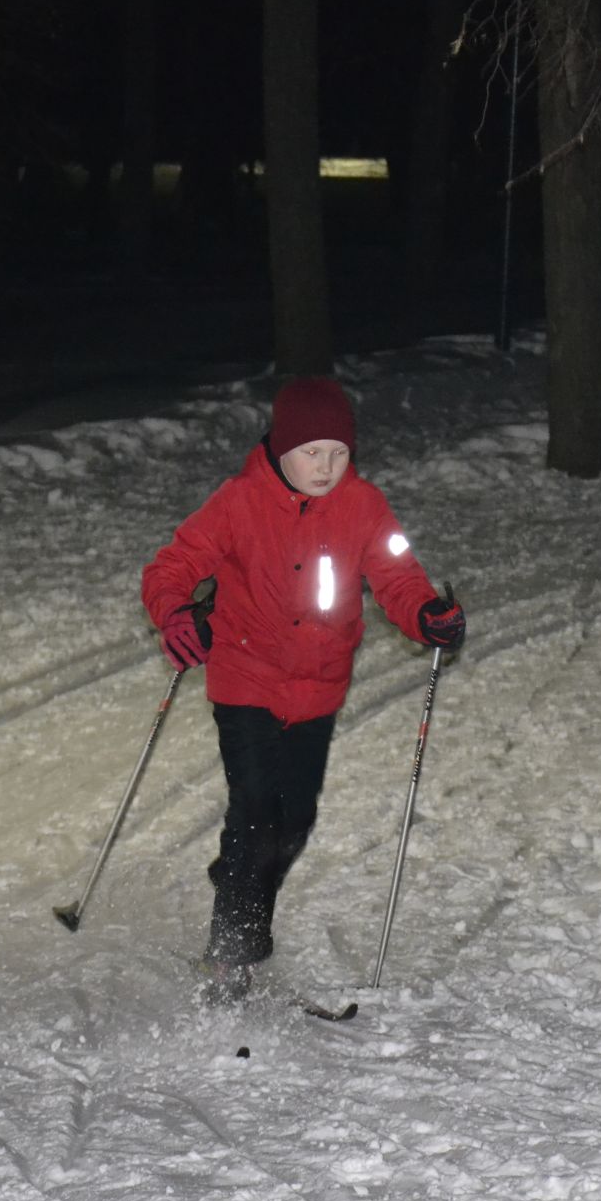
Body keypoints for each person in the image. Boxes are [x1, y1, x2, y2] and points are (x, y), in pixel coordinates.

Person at [141, 375, 466, 1001]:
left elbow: (398, 575)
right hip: (245, 679)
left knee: (294, 822)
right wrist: (176, 615)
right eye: (312, 452)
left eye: (339, 452)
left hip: (318, 691)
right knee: (257, 812)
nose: (326, 466)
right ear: (281, 449)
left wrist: (426, 613)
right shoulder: (238, 501)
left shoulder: (365, 506)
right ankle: (230, 957)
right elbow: (172, 566)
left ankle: (237, 874)